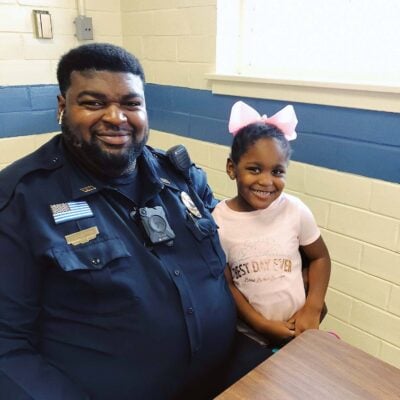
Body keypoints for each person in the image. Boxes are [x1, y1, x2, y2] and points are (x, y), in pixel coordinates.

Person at [0, 43, 238, 400]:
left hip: (230, 382)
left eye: (131, 103)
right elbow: (7, 345)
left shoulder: (182, 177)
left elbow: (232, 249)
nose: (116, 117)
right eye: (94, 103)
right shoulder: (21, 200)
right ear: (62, 107)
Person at [212, 101, 331, 360]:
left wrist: (313, 306)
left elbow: (320, 258)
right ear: (232, 168)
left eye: (277, 171)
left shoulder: (295, 210)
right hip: (249, 338)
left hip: (299, 330)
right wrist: (259, 323)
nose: (267, 181)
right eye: (254, 169)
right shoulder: (218, 220)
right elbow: (227, 284)